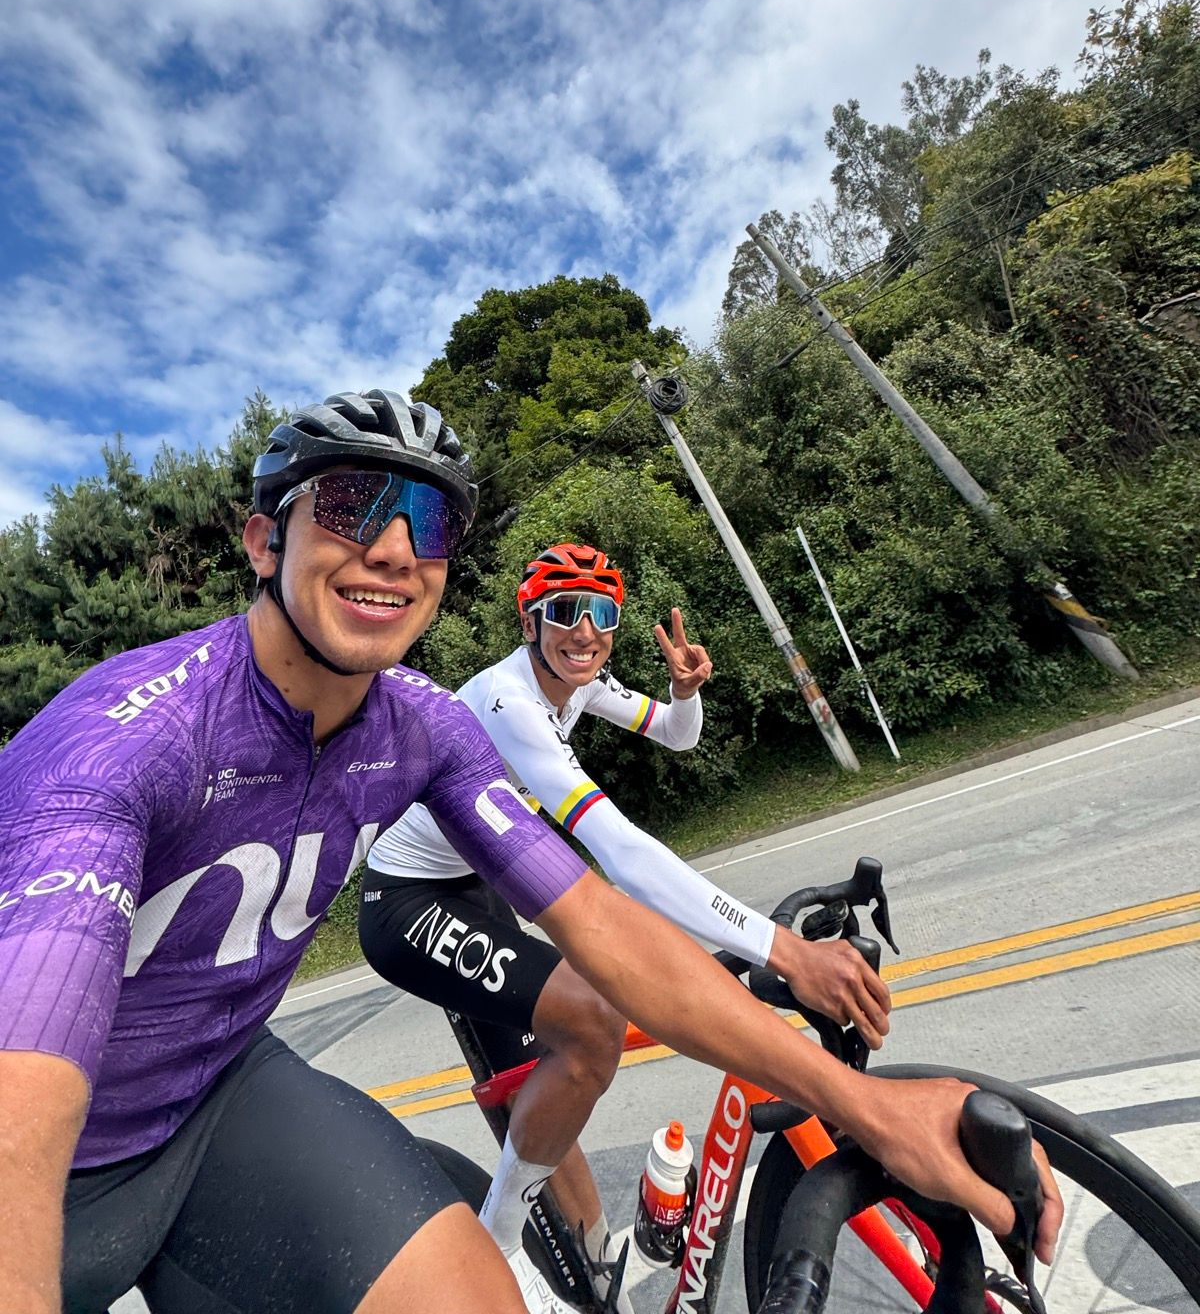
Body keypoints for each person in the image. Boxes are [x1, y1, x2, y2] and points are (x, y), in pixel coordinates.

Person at [0, 387, 1061, 1314]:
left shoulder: (425, 720)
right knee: (584, 1024)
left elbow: (604, 909)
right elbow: (29, 1075)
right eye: (351, 505)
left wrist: (863, 1105)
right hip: (86, 1120)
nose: (392, 548)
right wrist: (780, 953)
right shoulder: (125, 741)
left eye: (428, 521)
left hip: (222, 1081)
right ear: (263, 542)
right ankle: (521, 1220)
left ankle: (526, 1234)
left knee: (573, 1064)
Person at [360, 544, 892, 1310]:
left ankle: (584, 1272)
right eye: (565, 612)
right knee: (593, 1022)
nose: (585, 631)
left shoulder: (581, 681)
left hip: (483, 875)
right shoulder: (508, 705)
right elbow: (623, 855)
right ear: (530, 621)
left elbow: (675, 733)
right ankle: (494, 1246)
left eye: (601, 613)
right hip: (410, 900)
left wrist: (683, 693)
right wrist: (783, 950)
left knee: (560, 1079)